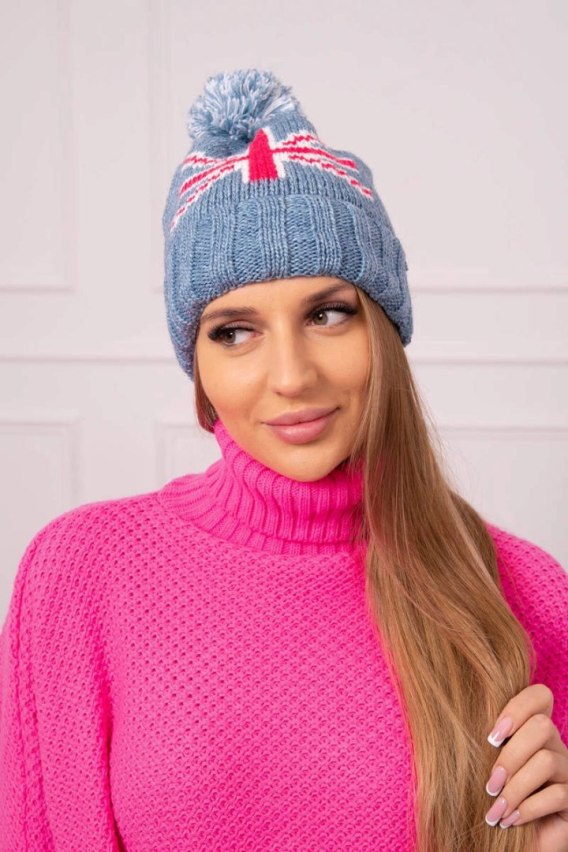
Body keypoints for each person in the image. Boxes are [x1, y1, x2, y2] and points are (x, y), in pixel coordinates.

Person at [0, 68, 566, 852]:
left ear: (384, 333)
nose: (292, 376)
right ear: (198, 364)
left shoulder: (521, 590)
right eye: (235, 331)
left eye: (328, 314)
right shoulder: (81, 572)